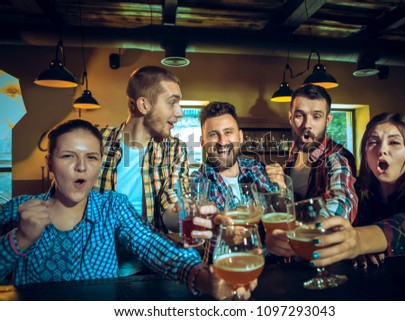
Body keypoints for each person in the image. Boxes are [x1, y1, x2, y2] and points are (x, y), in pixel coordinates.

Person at [0, 119, 256, 300]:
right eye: (68, 156)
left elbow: (154, 246)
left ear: (100, 163)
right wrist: (19, 240)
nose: (81, 167)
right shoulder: (18, 211)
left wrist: (202, 277)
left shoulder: (112, 207)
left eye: (91, 157)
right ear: (50, 163)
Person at [267, 112, 405, 267]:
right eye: (373, 142)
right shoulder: (360, 192)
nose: (382, 150)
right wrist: (288, 241)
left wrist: (360, 241)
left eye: (394, 143)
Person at [96, 66, 188, 233]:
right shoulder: (97, 142)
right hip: (98, 254)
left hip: (150, 254)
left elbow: (171, 205)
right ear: (143, 105)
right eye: (172, 102)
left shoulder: (175, 150)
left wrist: (185, 215)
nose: (179, 112)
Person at [266, 83, 358, 221]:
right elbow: (296, 201)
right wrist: (282, 187)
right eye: (299, 115)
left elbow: (342, 200)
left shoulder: (338, 158)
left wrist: (320, 226)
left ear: (327, 120)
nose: (307, 124)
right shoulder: (296, 149)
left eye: (316, 116)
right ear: (290, 118)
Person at [191, 101, 276, 213]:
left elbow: (279, 212)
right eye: (213, 134)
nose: (222, 142)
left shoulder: (257, 169)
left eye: (228, 132)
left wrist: (282, 188)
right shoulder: (198, 182)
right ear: (202, 142)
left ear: (240, 137)